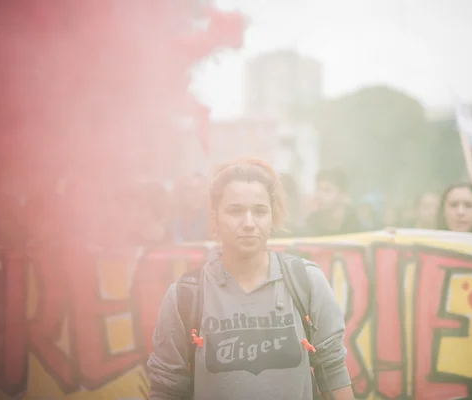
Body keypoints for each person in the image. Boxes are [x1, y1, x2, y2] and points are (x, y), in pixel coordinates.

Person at [148, 158, 354, 400]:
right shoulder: (184, 296)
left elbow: (333, 371)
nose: (249, 223)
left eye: (259, 211)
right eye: (235, 211)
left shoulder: (306, 282)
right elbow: (166, 389)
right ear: (214, 218)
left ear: (271, 217)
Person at [304, 168, 363, 237]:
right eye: (318, 189)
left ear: (343, 195)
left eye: (327, 190)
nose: (319, 195)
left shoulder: (361, 230)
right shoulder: (308, 229)